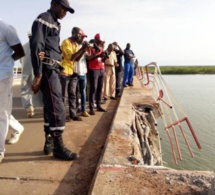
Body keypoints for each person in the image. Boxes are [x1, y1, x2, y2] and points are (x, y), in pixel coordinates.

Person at [30, 0, 79, 160]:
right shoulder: (44, 19)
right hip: (47, 70)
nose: (65, 12)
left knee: (50, 106)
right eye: (63, 8)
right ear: (54, 4)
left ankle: (49, 141)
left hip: (54, 69)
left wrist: (59, 66)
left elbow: (51, 49)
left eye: (67, 10)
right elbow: (37, 46)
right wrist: (38, 74)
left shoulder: (54, 23)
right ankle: (58, 147)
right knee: (57, 106)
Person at [0, 19, 25, 163]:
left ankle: (0, 150)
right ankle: (17, 128)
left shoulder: (6, 28)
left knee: (2, 113)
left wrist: (6, 63)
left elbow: (20, 52)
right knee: (2, 111)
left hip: (3, 76)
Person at [60, 27, 88, 121]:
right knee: (64, 96)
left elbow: (77, 59)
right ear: (73, 33)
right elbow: (71, 57)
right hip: (64, 71)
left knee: (72, 94)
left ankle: (73, 114)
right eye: (79, 34)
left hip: (72, 72)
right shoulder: (66, 42)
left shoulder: (76, 44)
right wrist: (83, 48)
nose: (80, 36)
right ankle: (62, 116)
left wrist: (84, 50)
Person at [20, 32, 43, 118]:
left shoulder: (24, 46)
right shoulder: (40, 45)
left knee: (26, 90)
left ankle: (30, 108)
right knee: (39, 89)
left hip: (26, 72)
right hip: (37, 71)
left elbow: (21, 60)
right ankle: (44, 107)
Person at [86, 33, 107, 115]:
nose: (100, 43)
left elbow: (102, 59)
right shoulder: (90, 47)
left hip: (101, 69)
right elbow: (88, 57)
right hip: (93, 69)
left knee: (99, 88)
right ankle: (91, 107)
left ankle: (98, 105)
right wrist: (97, 54)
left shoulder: (101, 47)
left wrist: (104, 57)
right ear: (96, 39)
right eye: (99, 41)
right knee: (93, 88)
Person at [75, 33, 90, 117]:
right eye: (82, 37)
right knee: (74, 93)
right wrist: (83, 49)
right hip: (75, 72)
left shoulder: (84, 48)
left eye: (84, 37)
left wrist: (97, 53)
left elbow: (88, 57)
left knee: (83, 92)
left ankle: (83, 110)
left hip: (83, 72)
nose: (83, 39)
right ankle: (75, 109)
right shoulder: (74, 46)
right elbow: (76, 58)